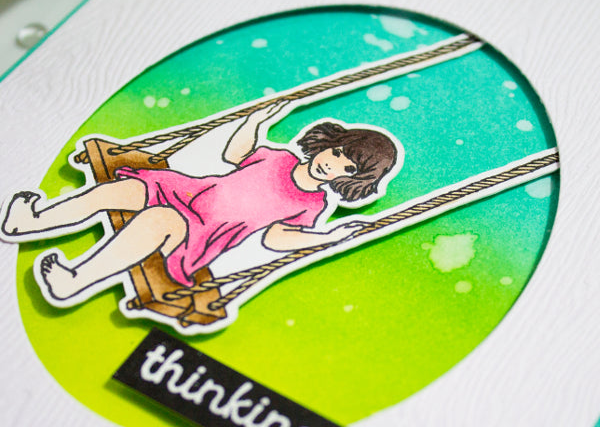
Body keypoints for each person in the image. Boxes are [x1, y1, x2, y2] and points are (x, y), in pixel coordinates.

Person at [1, 100, 401, 304]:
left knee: (158, 221)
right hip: (184, 191)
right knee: (118, 192)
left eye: (347, 169)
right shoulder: (278, 157)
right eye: (337, 154)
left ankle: (75, 280)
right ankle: (31, 221)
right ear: (327, 144)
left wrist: (328, 237)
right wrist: (254, 121)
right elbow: (237, 155)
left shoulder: (312, 204)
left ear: (353, 181)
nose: (332, 165)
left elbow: (277, 239)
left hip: (200, 231)